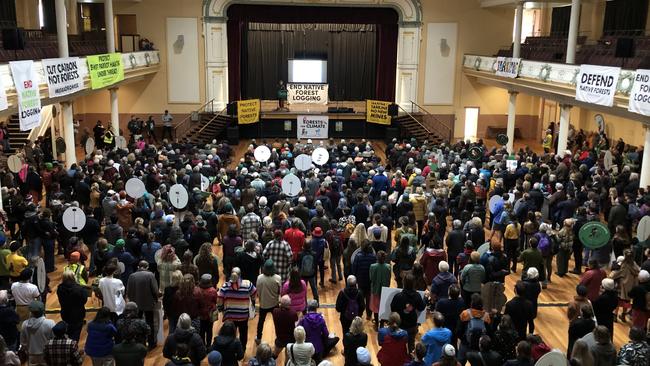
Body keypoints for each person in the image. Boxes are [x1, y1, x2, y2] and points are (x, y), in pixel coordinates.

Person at [217, 271, 257, 351]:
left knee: (230, 333)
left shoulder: (225, 286)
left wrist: (221, 308)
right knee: (243, 333)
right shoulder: (248, 284)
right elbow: (254, 293)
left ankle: (231, 349)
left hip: (230, 316)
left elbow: (219, 299)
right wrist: (252, 301)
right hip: (243, 315)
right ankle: (242, 349)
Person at [126, 260, 159, 349]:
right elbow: (155, 290)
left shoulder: (131, 276)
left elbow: (128, 291)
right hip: (148, 303)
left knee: (137, 323)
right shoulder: (150, 275)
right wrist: (156, 299)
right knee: (150, 323)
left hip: (136, 304)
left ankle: (139, 342)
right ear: (147, 267)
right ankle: (151, 343)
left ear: (138, 267)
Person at [56, 270, 89, 341]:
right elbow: (84, 300)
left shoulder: (60, 288)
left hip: (65, 313)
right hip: (78, 314)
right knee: (76, 334)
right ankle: (73, 347)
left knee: (68, 331)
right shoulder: (80, 289)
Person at [20, 300, 55, 366]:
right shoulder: (50, 323)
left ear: (31, 312)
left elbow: (23, 342)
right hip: (46, 354)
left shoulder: (25, 324)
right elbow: (53, 340)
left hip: (31, 355)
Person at [255, 259, 281, 344]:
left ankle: (258, 338)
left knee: (261, 321)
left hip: (263, 304)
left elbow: (258, 291)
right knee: (277, 322)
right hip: (274, 303)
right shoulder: (277, 278)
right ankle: (279, 337)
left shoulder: (260, 278)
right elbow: (279, 291)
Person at [369, 251, 391, 327]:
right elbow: (389, 278)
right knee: (383, 307)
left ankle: (376, 323)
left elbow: (371, 278)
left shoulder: (372, 266)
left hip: (375, 289)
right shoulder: (388, 267)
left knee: (375, 308)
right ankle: (382, 323)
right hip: (385, 290)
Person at [198, 274, 219, 346]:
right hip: (210, 314)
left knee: (201, 330)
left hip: (200, 314)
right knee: (209, 330)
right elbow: (216, 301)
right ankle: (208, 345)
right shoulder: (213, 291)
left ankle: (202, 344)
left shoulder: (198, 290)